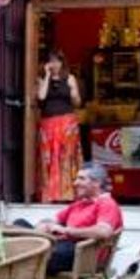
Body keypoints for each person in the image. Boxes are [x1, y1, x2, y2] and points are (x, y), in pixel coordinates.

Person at [33, 164, 123, 275]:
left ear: (97, 183)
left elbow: (104, 231)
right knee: (19, 224)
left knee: (34, 254)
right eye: (76, 179)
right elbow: (53, 220)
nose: (75, 183)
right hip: (63, 246)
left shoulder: (106, 203)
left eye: (81, 179)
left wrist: (67, 230)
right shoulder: (79, 204)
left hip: (82, 255)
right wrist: (44, 225)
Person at [36, 51, 82, 203]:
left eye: (57, 61)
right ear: (47, 64)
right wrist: (47, 76)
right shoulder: (42, 79)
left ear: (63, 63)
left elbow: (77, 102)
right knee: (48, 158)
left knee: (66, 157)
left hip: (66, 123)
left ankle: (67, 193)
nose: (54, 64)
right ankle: (50, 194)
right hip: (48, 124)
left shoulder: (70, 78)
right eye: (51, 61)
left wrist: (75, 94)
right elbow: (41, 97)